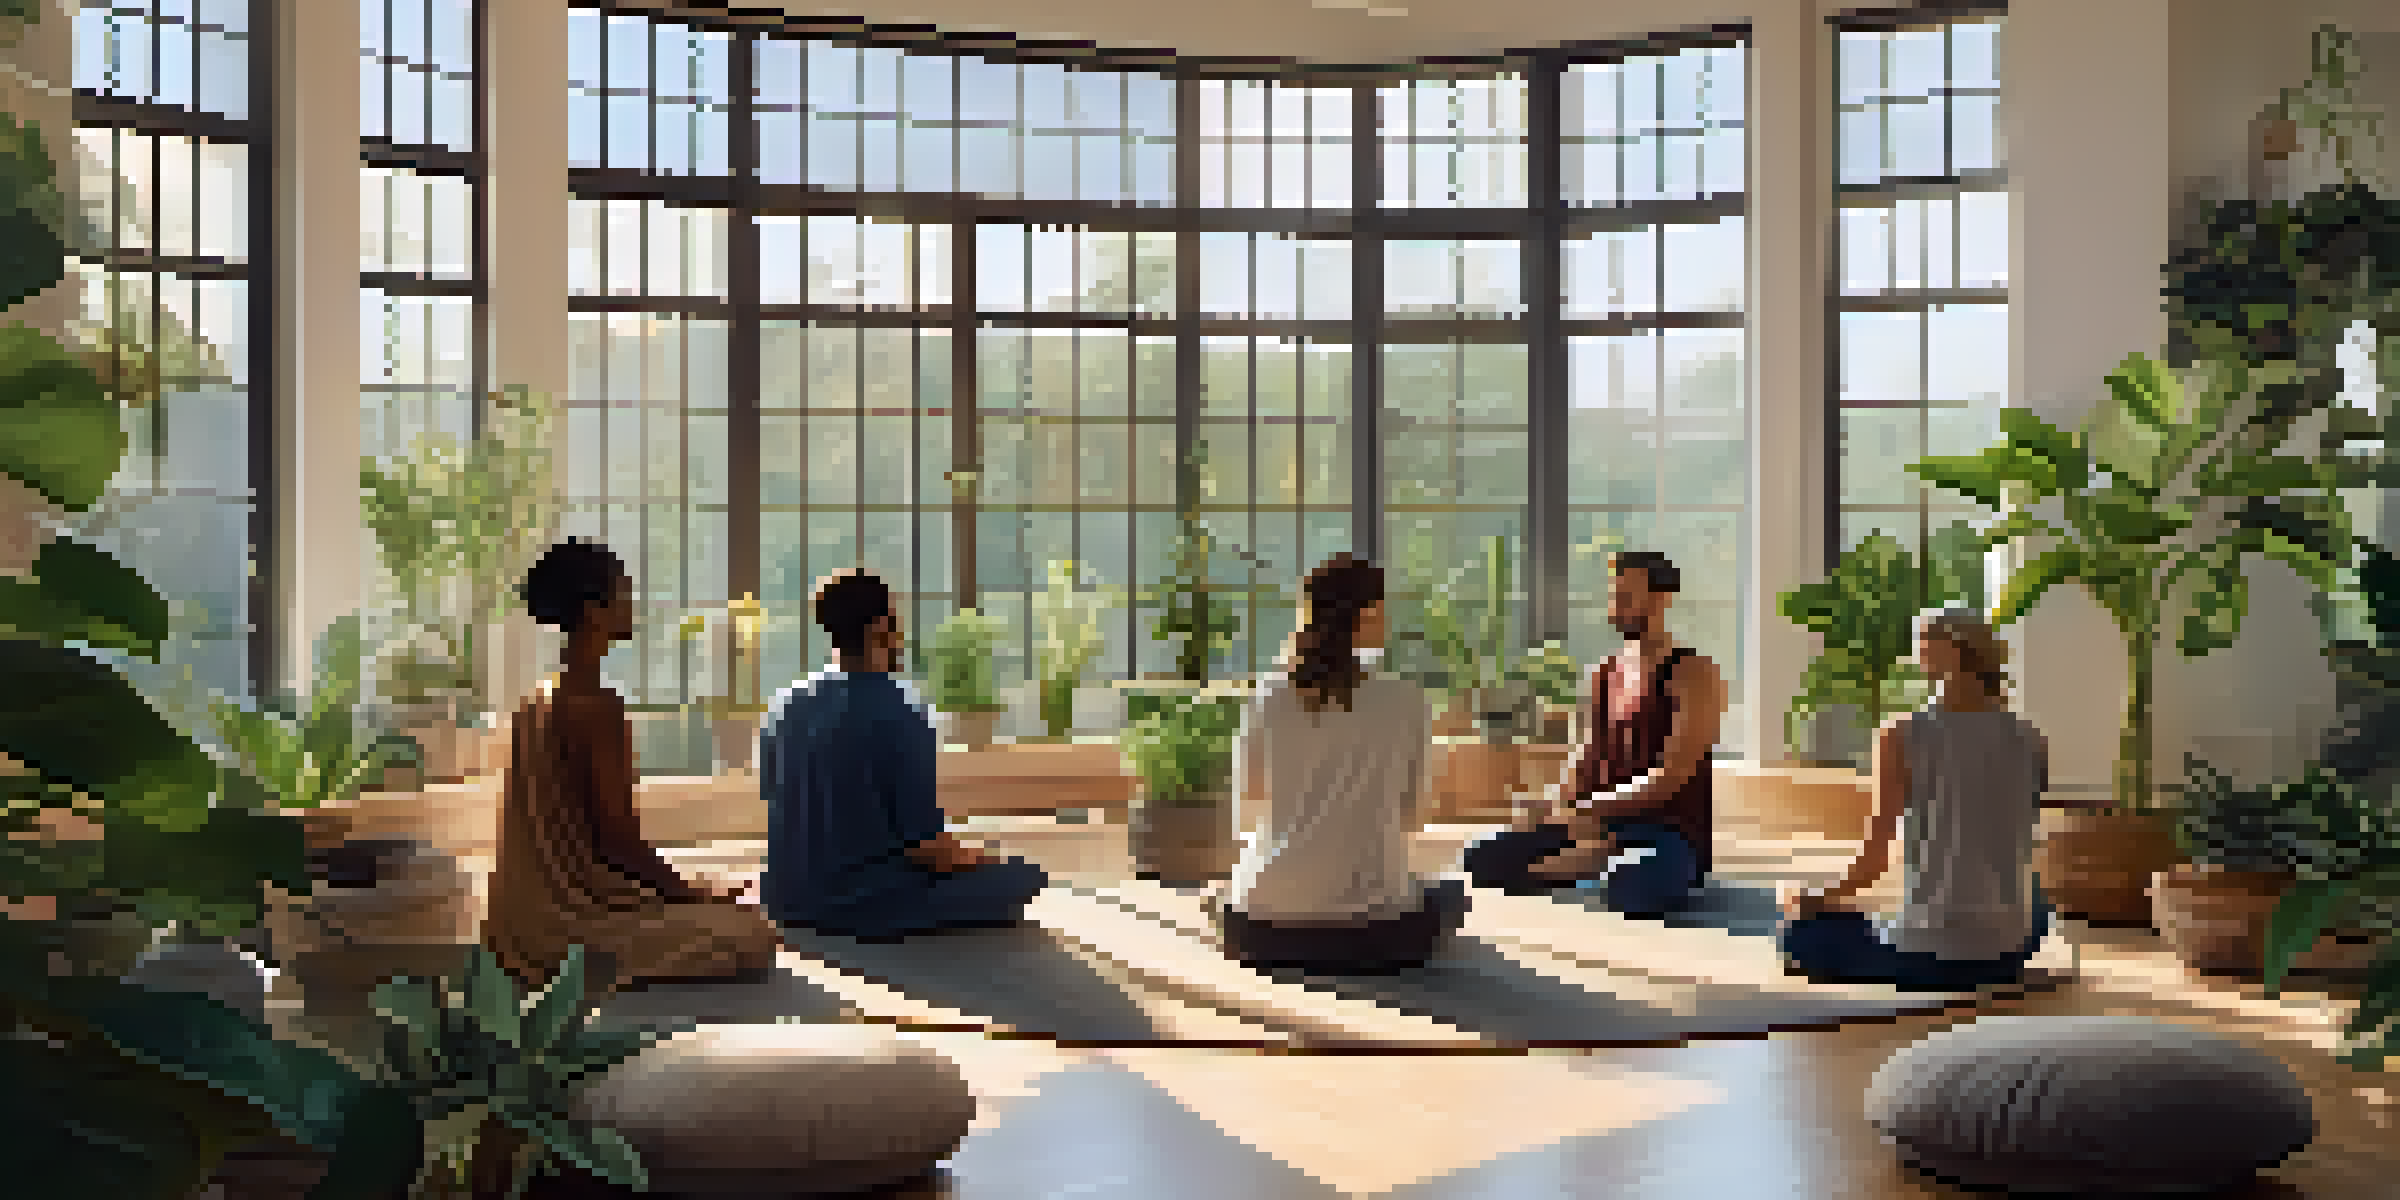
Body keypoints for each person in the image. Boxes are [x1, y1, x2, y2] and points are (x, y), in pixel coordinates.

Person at [484, 538, 780, 995]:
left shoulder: (537, 696)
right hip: (568, 927)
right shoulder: (595, 707)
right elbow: (619, 843)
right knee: (751, 936)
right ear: (593, 611)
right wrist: (689, 894)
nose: (632, 604)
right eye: (622, 592)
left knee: (721, 893)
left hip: (517, 922)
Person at [1210, 553, 1467, 973]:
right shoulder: (1408, 700)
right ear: (1367, 614)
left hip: (1262, 930)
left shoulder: (1270, 695)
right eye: (1384, 609)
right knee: (1453, 896)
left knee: (1226, 894)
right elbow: (1413, 818)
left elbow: (1248, 812)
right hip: (1373, 935)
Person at [759, 569, 1049, 940]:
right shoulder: (902, 709)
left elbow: (774, 798)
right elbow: (927, 848)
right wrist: (983, 858)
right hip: (863, 901)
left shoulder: (785, 703)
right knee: (1023, 873)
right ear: (882, 627)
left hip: (785, 899)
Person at [1777, 607, 2054, 990]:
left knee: (1798, 932)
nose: (1914, 650)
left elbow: (1871, 866)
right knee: (2036, 906)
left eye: (1922, 640)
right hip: (2010, 948)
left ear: (1953, 651)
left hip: (1933, 953)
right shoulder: (2031, 739)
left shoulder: (1901, 735)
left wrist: (1810, 897)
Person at [1461, 550, 1724, 916]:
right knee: (1480, 856)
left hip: (1667, 834)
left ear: (1661, 599)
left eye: (1626, 597)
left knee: (1628, 883)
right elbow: (1584, 752)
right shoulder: (1603, 671)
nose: (1614, 608)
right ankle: (1591, 859)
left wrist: (1579, 809)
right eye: (1613, 596)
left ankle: (1593, 862)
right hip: (1593, 822)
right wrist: (1550, 804)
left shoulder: (1695, 674)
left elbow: (1672, 776)